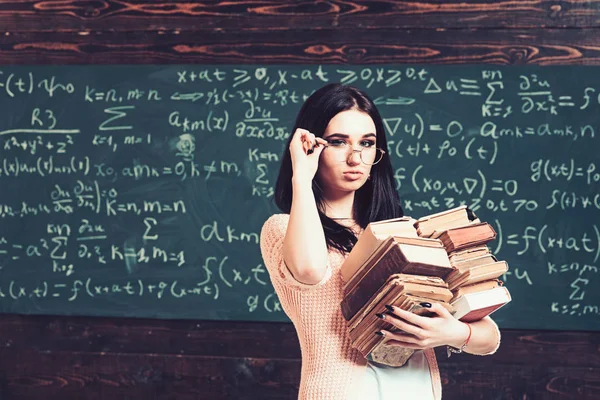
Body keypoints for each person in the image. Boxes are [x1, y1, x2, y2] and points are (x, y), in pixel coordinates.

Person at [259, 83, 501, 400]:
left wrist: (452, 332)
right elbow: (308, 270)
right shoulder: (283, 228)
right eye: (337, 142)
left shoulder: (406, 235)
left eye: (367, 143)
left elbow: (489, 336)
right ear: (313, 146)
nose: (355, 157)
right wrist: (301, 177)